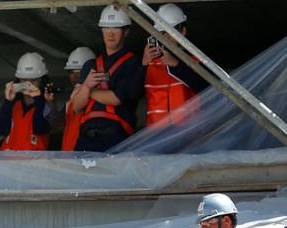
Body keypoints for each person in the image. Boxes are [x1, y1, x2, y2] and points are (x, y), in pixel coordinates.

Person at [71, 5, 144, 152]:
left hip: (115, 134)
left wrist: (88, 90)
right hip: (87, 135)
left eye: (116, 28)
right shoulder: (90, 64)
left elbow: (116, 98)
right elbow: (76, 106)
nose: (110, 34)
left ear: (126, 31)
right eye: (106, 28)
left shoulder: (133, 63)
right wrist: (86, 87)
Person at [142, 3, 207, 126]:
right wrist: (143, 64)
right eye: (162, 32)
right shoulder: (150, 63)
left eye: (169, 31)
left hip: (189, 134)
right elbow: (129, 95)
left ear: (183, 31)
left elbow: (210, 90)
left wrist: (176, 64)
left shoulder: (196, 61)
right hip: (156, 137)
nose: (165, 37)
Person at [0, 52, 53, 151]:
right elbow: (2, 129)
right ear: (18, 80)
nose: (28, 84)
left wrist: (38, 99)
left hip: (34, 164)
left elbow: (40, 128)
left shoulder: (47, 105)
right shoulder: (14, 105)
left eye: (33, 80)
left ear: (41, 80)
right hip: (7, 163)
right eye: (24, 80)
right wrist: (8, 101)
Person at [54, 46, 95, 152]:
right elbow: (56, 124)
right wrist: (50, 103)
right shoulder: (71, 101)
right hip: (69, 157)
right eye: (72, 71)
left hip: (86, 159)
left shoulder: (97, 98)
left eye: (79, 71)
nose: (75, 76)